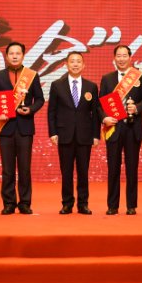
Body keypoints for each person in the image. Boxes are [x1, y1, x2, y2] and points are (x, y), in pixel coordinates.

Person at [0, 42, 44, 215]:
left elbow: (40, 99)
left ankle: (25, 203)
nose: (14, 56)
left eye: (17, 53)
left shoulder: (31, 76)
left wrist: (31, 109)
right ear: (6, 56)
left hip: (25, 128)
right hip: (6, 127)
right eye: (11, 53)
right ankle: (9, 203)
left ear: (23, 55)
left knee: (25, 168)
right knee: (7, 169)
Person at [99, 45, 142, 216]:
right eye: (118, 56)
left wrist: (137, 108)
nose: (121, 59)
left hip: (133, 128)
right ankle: (112, 206)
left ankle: (131, 205)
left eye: (124, 56)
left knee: (132, 168)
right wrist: (104, 118)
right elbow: (100, 104)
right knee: (113, 168)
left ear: (130, 57)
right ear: (114, 58)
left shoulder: (140, 76)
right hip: (113, 128)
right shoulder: (107, 79)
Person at [48, 51, 100, 215]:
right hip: (64, 135)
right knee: (66, 172)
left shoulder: (91, 86)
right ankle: (67, 203)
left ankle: (83, 204)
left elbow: (95, 113)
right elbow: (52, 111)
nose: (75, 64)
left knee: (83, 172)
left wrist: (96, 135)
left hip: (85, 136)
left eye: (78, 61)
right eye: (72, 61)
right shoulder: (57, 85)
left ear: (83, 65)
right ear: (66, 64)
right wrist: (53, 132)